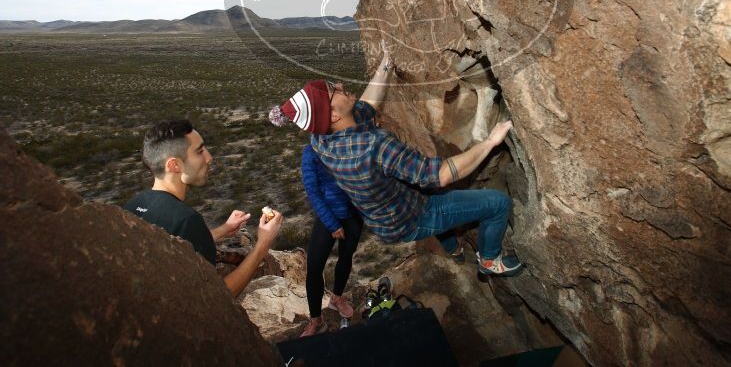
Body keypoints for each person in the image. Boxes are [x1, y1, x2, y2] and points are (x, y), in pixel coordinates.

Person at [269, 44, 523, 278]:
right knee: (497, 203)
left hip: (387, 217)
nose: (338, 85)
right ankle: (490, 261)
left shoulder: (321, 140)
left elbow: (366, 105)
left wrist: (385, 65)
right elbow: (443, 173)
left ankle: (452, 247)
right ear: (333, 114)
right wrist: (490, 142)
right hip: (413, 217)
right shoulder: (374, 146)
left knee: (427, 190)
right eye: (332, 90)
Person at [123, 119, 283, 297]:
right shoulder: (187, 220)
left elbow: (173, 244)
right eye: (199, 151)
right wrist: (262, 245)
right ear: (174, 165)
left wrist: (224, 229)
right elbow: (217, 297)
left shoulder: (134, 204)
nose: (209, 157)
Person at [298, 144, 364, 336]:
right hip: (328, 215)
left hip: (353, 213)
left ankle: (337, 297)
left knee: (346, 256)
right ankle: (316, 319)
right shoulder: (312, 150)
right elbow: (312, 189)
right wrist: (331, 223)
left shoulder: (349, 141)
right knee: (315, 267)